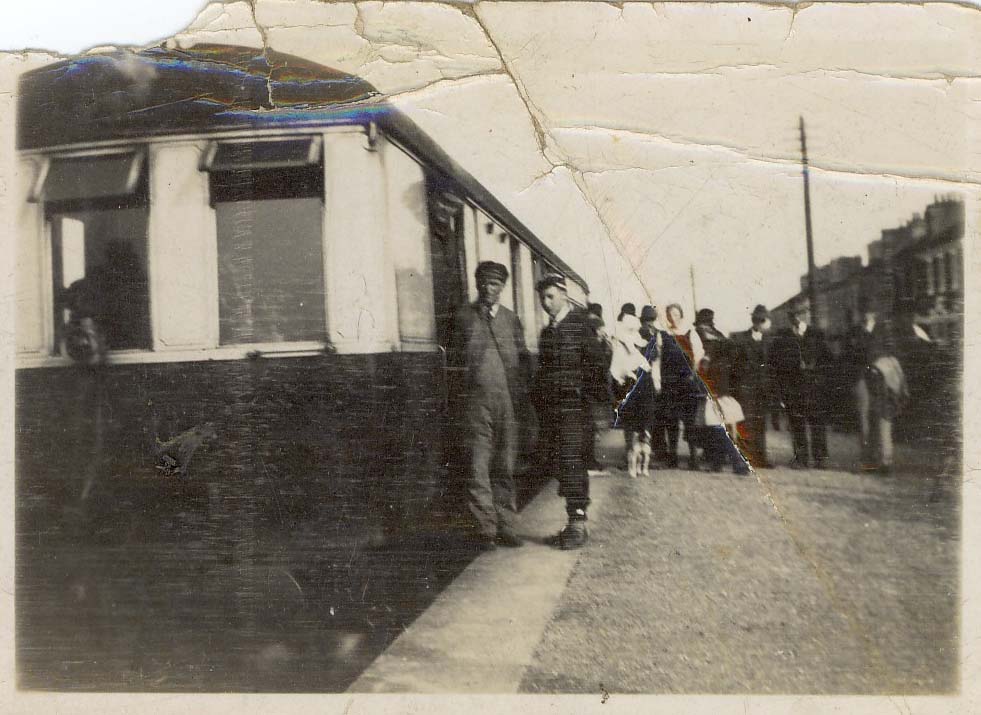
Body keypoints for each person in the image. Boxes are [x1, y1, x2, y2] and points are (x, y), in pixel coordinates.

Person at [446, 261, 530, 550]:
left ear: (502, 288)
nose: (488, 289)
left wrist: (521, 401)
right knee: (477, 466)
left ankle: (507, 525)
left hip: (507, 400)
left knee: (504, 465)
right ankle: (485, 530)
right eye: (483, 283)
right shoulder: (463, 317)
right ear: (477, 284)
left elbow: (522, 362)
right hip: (475, 402)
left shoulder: (510, 319)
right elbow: (454, 364)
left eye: (494, 284)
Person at [532, 274, 604, 549]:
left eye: (550, 296)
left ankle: (577, 524)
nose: (546, 302)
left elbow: (596, 367)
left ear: (563, 295)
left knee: (572, 460)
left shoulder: (580, 325)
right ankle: (572, 522)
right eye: (542, 298)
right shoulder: (548, 331)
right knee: (562, 461)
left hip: (575, 408)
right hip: (554, 409)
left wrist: (592, 405)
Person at [769, 303, 833, 469]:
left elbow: (828, 360)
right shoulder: (783, 337)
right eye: (793, 315)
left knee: (817, 422)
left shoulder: (817, 334)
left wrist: (821, 379)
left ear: (805, 314)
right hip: (793, 387)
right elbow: (775, 363)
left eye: (799, 314)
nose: (796, 318)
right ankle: (801, 458)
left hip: (814, 387)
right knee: (797, 423)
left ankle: (820, 457)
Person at [693, 309, 748, 475]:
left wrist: (708, 358)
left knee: (715, 424)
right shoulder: (719, 337)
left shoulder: (709, 339)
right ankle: (719, 460)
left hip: (715, 385)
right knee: (714, 424)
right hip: (718, 384)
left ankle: (736, 462)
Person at [844, 303, 897, 473]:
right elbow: (848, 356)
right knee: (864, 420)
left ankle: (885, 461)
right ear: (860, 313)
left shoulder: (883, 331)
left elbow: (891, 353)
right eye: (864, 311)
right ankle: (868, 461)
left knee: (882, 418)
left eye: (870, 311)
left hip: (880, 378)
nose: (867, 315)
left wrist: (880, 366)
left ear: (875, 313)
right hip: (861, 379)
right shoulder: (854, 332)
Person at [610, 313, 660, 477]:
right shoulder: (621, 346)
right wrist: (625, 375)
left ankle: (641, 453)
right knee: (632, 421)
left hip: (643, 384)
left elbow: (645, 364)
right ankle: (631, 453)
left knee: (644, 418)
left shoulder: (637, 345)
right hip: (631, 385)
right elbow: (616, 369)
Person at [661, 303, 705, 469]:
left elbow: (699, 354)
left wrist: (693, 372)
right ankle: (673, 457)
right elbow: (658, 358)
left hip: (687, 382)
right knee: (671, 419)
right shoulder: (664, 334)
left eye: (676, 313)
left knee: (690, 420)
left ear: (681, 315)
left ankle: (693, 458)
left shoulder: (690, 332)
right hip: (669, 382)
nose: (673, 316)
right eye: (670, 313)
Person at [731, 304, 773, 469]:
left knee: (761, 423)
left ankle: (761, 458)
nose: (766, 325)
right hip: (746, 389)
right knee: (748, 423)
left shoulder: (769, 340)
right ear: (757, 322)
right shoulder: (741, 339)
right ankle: (747, 458)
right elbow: (735, 366)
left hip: (762, 389)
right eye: (764, 322)